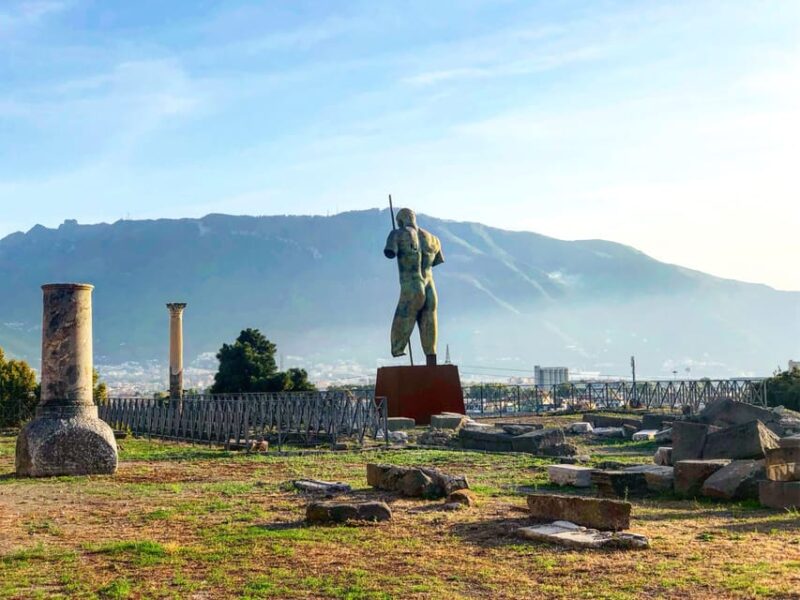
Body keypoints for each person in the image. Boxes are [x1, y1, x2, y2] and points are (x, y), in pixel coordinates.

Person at [384, 208, 444, 366]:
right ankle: (431, 357)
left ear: (400, 221)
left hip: (412, 284)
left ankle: (398, 348)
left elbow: (390, 252)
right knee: (429, 319)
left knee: (404, 314)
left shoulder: (397, 234)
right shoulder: (434, 239)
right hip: (430, 286)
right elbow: (436, 261)